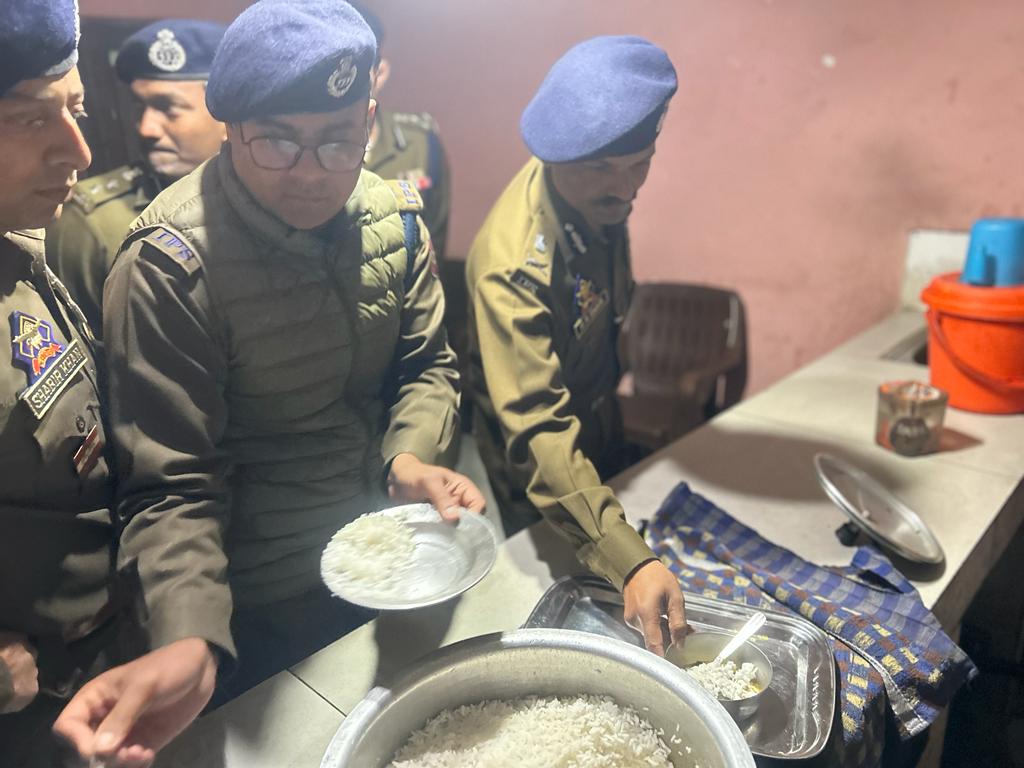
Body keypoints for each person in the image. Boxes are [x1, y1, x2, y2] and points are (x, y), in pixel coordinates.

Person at [58, 1, 483, 746]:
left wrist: (409, 458)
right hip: (253, 598)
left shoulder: (394, 218)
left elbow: (426, 365)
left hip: (386, 553)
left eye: (338, 141)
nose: (311, 172)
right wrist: (190, 632)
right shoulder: (170, 264)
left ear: (369, 120)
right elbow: (171, 482)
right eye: (278, 142)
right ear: (229, 126)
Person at [0, 3, 215, 766]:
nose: (79, 150)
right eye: (31, 118)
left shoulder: (20, 251)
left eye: (78, 110)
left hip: (111, 649)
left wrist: (183, 622)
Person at [466, 36, 688, 656]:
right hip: (536, 468)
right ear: (554, 156)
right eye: (602, 169)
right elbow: (537, 424)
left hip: (595, 418)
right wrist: (629, 559)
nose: (626, 187)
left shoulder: (596, 197)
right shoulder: (514, 265)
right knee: (563, 607)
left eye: (640, 162)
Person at [46, 19, 227, 337]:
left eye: (167, 108)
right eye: (139, 107)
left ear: (226, 115)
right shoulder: (92, 224)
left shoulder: (276, 192)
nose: (146, 128)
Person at [353, 2, 452, 261]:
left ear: (380, 73)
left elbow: (435, 235)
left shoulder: (419, 142)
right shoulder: (303, 146)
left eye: (356, 72)